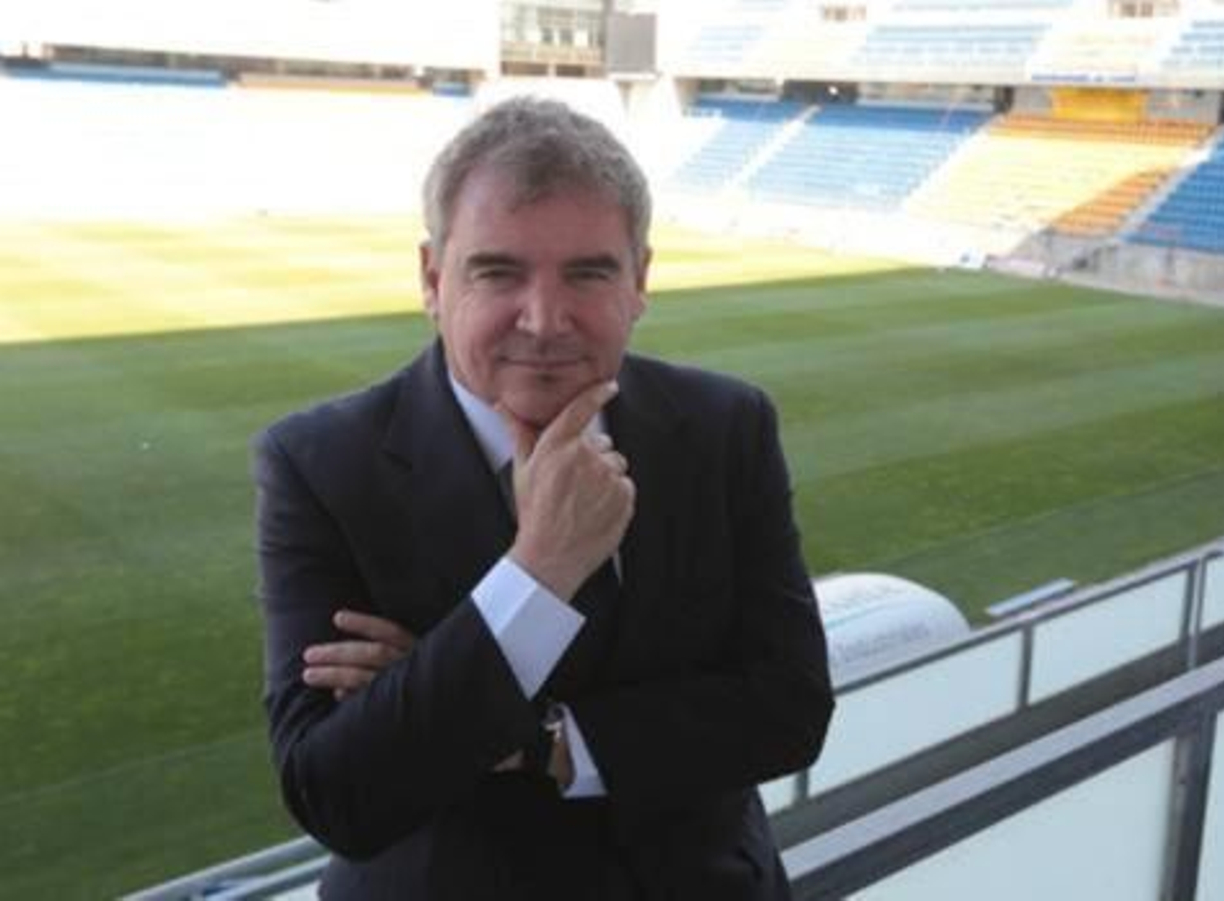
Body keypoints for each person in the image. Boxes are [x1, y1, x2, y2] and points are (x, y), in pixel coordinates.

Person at [252, 97, 834, 899]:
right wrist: (539, 570)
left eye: (589, 272)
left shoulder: (725, 425)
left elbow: (788, 709)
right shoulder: (321, 462)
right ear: (432, 278)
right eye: (498, 271)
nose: (544, 319)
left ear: (640, 282)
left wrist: (524, 734)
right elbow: (337, 790)